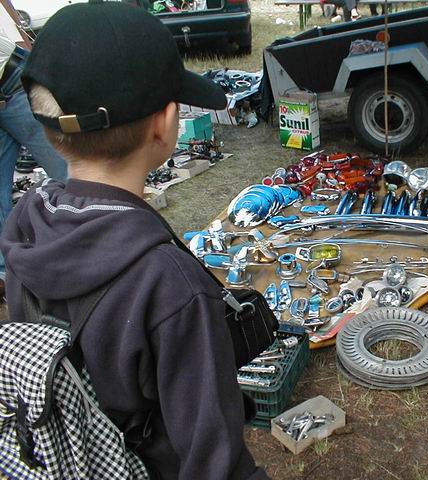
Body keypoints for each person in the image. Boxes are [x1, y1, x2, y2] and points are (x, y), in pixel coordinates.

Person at [0, 1, 267, 478]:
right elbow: (214, 462)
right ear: (165, 126)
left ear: (46, 126)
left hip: (74, 456)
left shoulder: (26, 221)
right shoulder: (171, 285)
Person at [0, 0, 67, 299]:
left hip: (13, 82)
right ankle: (8, 275)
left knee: (68, 172)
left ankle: (91, 250)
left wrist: (23, 38)